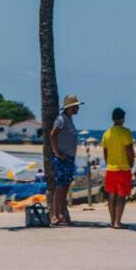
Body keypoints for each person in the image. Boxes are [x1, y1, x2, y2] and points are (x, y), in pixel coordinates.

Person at [50, 95, 82, 225]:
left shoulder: (69, 119)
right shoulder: (61, 119)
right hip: (63, 158)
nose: (78, 108)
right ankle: (55, 214)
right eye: (76, 106)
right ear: (70, 107)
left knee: (66, 186)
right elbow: (53, 134)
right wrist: (56, 152)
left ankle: (61, 213)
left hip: (69, 157)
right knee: (60, 187)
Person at [100, 107, 134, 229]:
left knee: (111, 195)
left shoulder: (107, 133)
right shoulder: (125, 132)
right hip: (123, 168)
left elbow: (105, 151)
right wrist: (131, 162)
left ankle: (112, 221)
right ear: (122, 118)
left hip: (110, 168)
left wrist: (108, 162)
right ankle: (117, 222)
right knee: (121, 195)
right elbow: (129, 149)